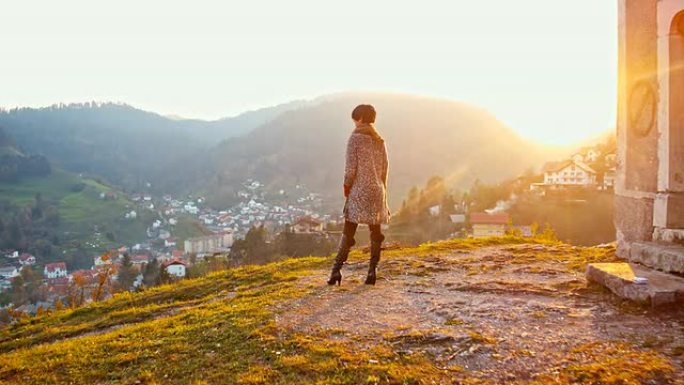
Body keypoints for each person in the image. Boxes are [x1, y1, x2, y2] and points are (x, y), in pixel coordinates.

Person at [327, 104, 390, 286]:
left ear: (361, 118)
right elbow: (385, 169)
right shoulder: (379, 140)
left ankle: (336, 271)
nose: (354, 122)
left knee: (349, 230)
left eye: (355, 118)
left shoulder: (355, 138)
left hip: (359, 189)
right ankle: (372, 272)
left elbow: (350, 168)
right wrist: (382, 189)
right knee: (375, 232)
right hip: (378, 191)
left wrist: (347, 187)